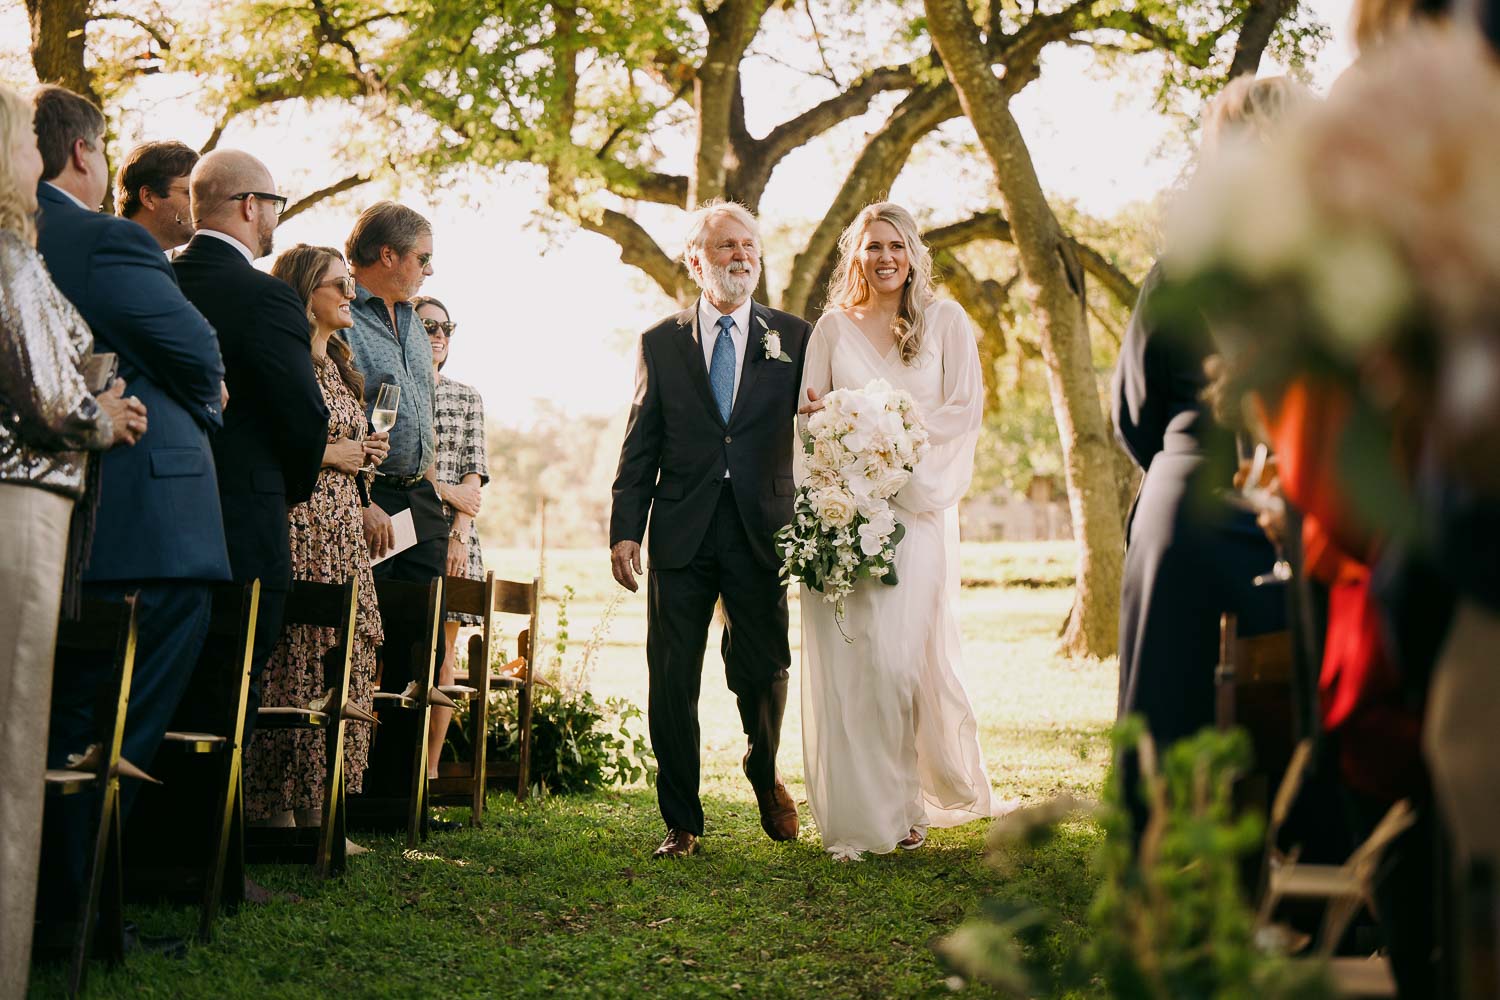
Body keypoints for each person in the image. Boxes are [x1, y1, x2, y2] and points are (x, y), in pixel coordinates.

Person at [32, 83, 229, 925]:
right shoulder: (99, 239)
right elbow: (192, 344)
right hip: (143, 515)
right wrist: (211, 393)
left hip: (65, 512)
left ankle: (54, 900)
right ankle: (76, 912)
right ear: (84, 152)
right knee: (111, 718)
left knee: (66, 711)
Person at [1110, 76, 1307, 835]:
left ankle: (1149, 866)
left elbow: (1135, 414)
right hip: (1297, 502)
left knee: (1157, 702)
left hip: (1185, 495)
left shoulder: (1182, 268)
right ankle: (1309, 855)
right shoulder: (1341, 264)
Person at [0, 79, 145, 999]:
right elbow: (49, 402)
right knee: (15, 746)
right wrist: (111, 412)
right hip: (22, 506)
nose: (37, 156)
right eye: (21, 140)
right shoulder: (10, 259)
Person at [609, 200, 810, 859]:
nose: (740, 255)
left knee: (766, 667)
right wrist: (625, 529)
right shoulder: (660, 342)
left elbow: (819, 429)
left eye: (748, 243)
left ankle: (763, 761)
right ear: (697, 261)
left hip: (762, 527)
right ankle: (683, 821)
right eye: (725, 246)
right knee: (672, 677)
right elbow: (641, 443)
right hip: (681, 530)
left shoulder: (795, 338)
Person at [796, 202, 996, 862]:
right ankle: (868, 813)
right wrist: (840, 454)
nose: (885, 257)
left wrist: (890, 442)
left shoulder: (945, 321)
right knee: (854, 662)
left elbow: (963, 410)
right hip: (849, 518)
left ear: (913, 254)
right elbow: (808, 421)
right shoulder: (830, 328)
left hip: (917, 516)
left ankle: (908, 800)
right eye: (872, 246)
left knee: (899, 663)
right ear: (854, 255)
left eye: (896, 246)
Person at [173, 150, 330, 767]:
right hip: (245, 521)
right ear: (248, 206)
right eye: (274, 205)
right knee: (233, 683)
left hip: (165, 513)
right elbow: (304, 417)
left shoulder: (162, 279)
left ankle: (147, 854)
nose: (274, 219)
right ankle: (215, 859)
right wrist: (284, 488)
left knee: (162, 685)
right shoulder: (266, 298)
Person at [244, 244, 387, 837]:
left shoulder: (339, 365)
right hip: (302, 525)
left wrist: (366, 462)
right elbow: (263, 439)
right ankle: (276, 810)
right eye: (337, 285)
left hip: (344, 531)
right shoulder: (287, 363)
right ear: (306, 295)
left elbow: (353, 448)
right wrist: (334, 453)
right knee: (295, 661)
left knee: (344, 660)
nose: (350, 294)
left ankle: (320, 809)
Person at [415, 295, 489, 779]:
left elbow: (474, 481)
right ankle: (380, 771)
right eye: (428, 326)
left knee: (444, 657)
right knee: (387, 653)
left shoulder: (467, 397)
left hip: (456, 542)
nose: (440, 335)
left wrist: (459, 535)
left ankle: (430, 772)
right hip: (405, 530)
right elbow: (398, 472)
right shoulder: (392, 388)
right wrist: (440, 489)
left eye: (447, 327)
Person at [115, 140, 198, 252]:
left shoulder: (193, 268)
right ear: (148, 197)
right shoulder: (98, 260)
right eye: (192, 194)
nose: (202, 204)